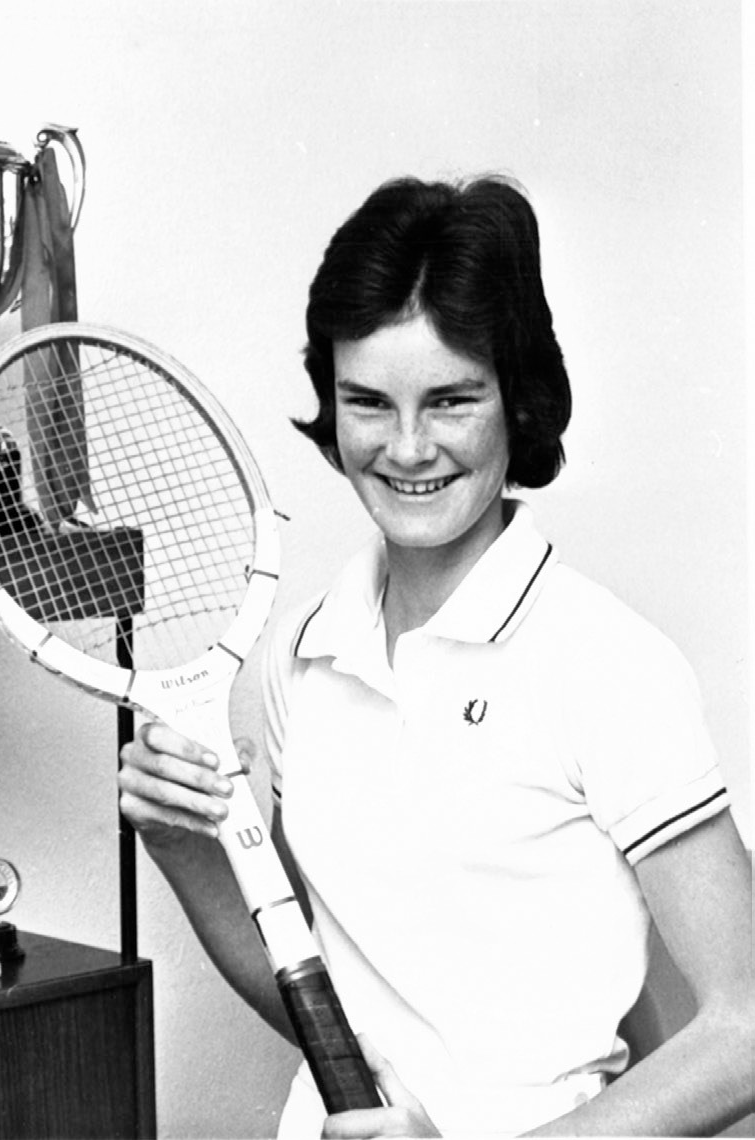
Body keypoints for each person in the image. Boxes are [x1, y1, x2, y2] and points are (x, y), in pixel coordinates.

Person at [117, 176, 754, 1137]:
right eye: (367, 402)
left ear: (518, 402)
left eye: (451, 400)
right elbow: (315, 985)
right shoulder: (301, 649)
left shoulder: (606, 663)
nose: (407, 448)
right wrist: (181, 848)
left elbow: (744, 1029)